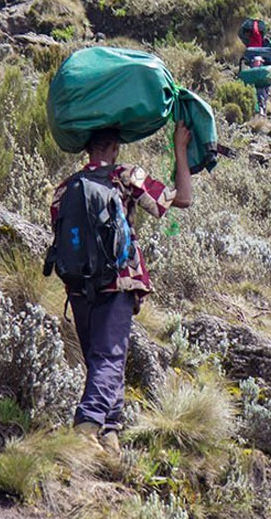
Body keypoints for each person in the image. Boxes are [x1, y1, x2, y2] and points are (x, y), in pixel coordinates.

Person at [50, 124, 193, 451]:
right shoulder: (126, 176)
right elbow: (181, 199)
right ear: (114, 148)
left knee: (99, 359)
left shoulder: (65, 188)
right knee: (110, 358)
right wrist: (180, 148)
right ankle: (86, 428)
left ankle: (110, 436)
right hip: (119, 279)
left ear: (87, 149)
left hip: (78, 286)